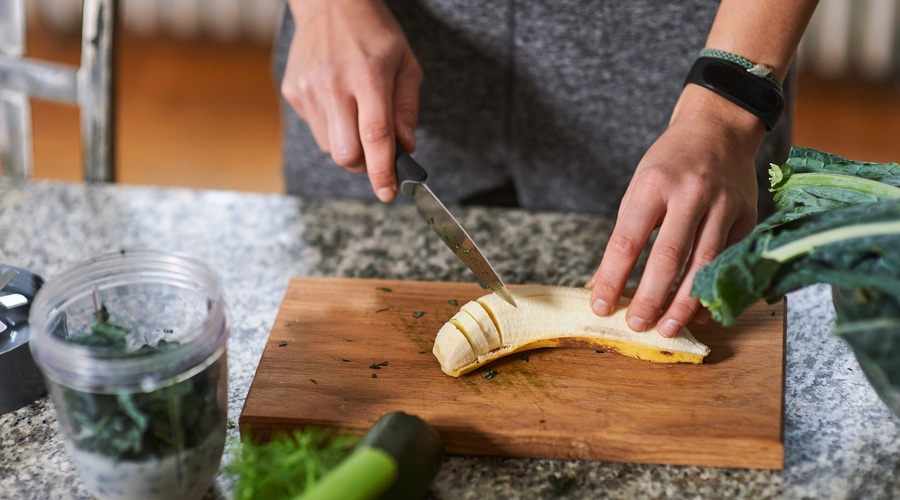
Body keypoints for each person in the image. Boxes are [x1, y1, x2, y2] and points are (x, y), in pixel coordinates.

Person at [273, 0, 819, 337]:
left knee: (670, 302)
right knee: (357, 328)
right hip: (378, 54)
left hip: (685, 76)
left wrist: (725, 107)